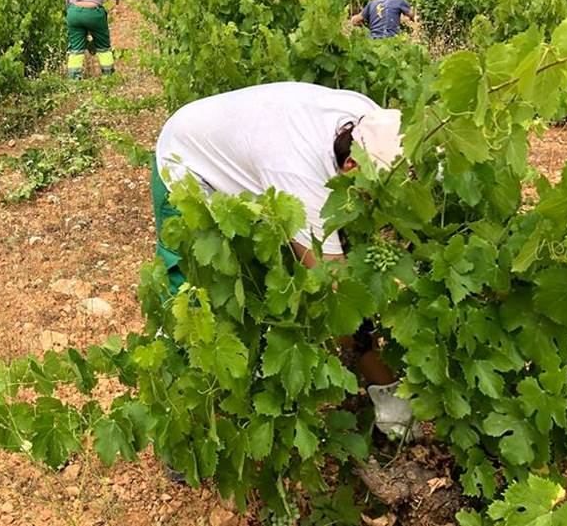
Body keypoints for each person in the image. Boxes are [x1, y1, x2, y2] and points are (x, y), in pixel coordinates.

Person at [150, 81, 414, 436]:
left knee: (261, 278)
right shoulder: (299, 173)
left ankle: (254, 367)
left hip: (249, 156)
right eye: (376, 191)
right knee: (192, 298)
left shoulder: (368, 119)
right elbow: (335, 293)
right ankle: (181, 422)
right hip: (186, 160)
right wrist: (388, 389)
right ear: (351, 165)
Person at [350, 0, 416, 39]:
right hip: (392, 40)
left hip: (373, 40)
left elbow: (355, 21)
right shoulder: (399, 1)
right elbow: (413, 17)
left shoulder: (371, 3)